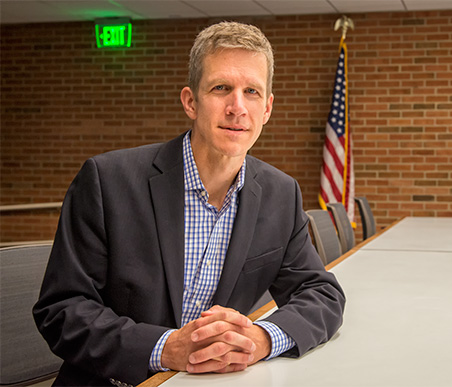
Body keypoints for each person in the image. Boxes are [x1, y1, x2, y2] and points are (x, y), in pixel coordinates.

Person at [33, 21, 345, 387]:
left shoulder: (280, 193)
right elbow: (62, 310)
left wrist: (261, 339)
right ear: (190, 101)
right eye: (221, 88)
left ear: (267, 108)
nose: (237, 107)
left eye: (252, 92)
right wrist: (165, 347)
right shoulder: (107, 181)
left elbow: (321, 293)